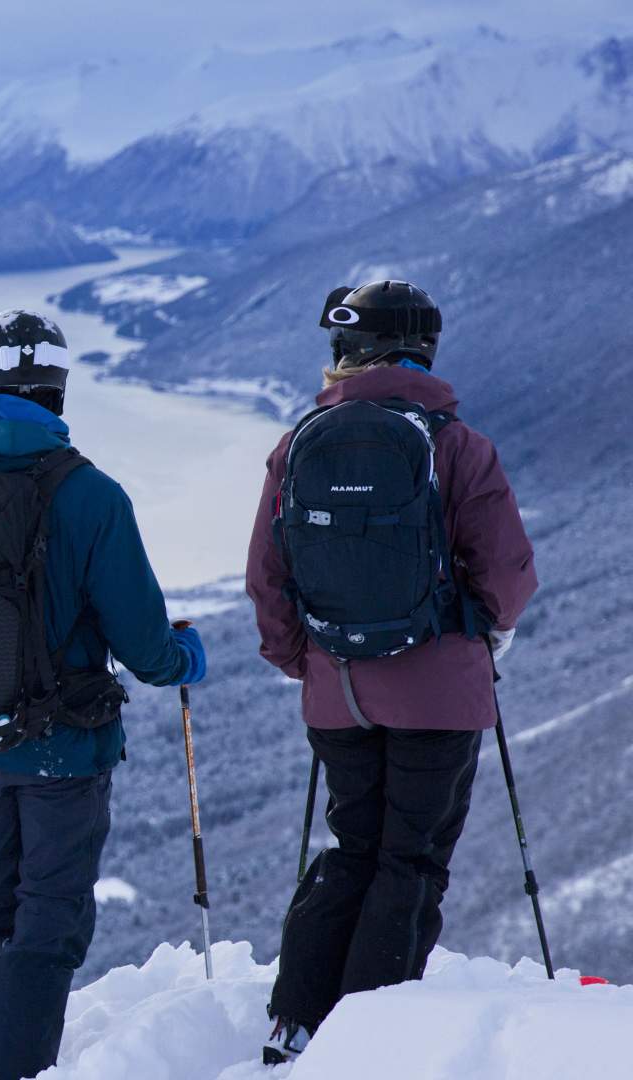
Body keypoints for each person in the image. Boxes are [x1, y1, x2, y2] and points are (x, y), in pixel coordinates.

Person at [0, 311, 207, 1080]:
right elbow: (145, 649)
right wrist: (187, 658)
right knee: (45, 922)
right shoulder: (90, 497)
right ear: (55, 393)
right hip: (62, 751)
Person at [247, 280, 536, 1064]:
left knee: (353, 849)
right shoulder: (458, 445)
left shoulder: (302, 440)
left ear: (348, 352)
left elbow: (267, 578)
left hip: (335, 691)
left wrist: (298, 660)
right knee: (409, 860)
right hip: (439, 695)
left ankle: (294, 1021)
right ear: (423, 348)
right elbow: (507, 572)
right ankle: (367, 1039)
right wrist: (489, 632)